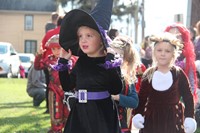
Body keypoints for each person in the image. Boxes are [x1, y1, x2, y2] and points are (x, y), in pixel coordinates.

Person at [55, 0, 123, 132]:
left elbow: (116, 89)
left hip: (102, 114)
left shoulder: (109, 62)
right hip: (79, 114)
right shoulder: (82, 62)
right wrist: (63, 64)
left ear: (102, 40)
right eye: (80, 36)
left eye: (89, 36)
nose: (83, 40)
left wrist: (109, 64)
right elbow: (68, 86)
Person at [132, 32, 197, 133]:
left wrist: (189, 117)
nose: (163, 54)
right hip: (151, 121)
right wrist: (138, 114)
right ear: (154, 52)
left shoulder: (178, 74)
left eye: (167, 51)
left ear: (173, 54)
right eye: (159, 50)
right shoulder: (149, 74)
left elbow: (188, 97)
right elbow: (142, 98)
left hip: (173, 121)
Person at [34, 34, 70, 133]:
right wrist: (39, 55)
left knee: (69, 116)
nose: (56, 51)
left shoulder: (71, 59)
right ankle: (56, 130)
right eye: (53, 49)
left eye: (58, 48)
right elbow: (37, 66)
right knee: (56, 115)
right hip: (54, 92)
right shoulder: (49, 60)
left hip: (68, 93)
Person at [110, 35, 139, 133]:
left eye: (119, 56)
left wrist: (117, 97)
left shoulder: (127, 78)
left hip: (120, 125)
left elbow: (134, 102)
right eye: (113, 54)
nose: (115, 59)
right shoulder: (100, 74)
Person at [164, 23, 198, 102]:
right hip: (164, 97)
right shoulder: (161, 54)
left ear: (183, 38)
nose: (174, 38)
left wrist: (190, 102)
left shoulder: (187, 57)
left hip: (181, 98)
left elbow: (191, 81)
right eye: (171, 35)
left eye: (178, 36)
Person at [41, 16, 63, 114]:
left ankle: (49, 107)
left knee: (49, 85)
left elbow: (43, 46)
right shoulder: (66, 33)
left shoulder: (49, 33)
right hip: (63, 62)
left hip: (48, 63)